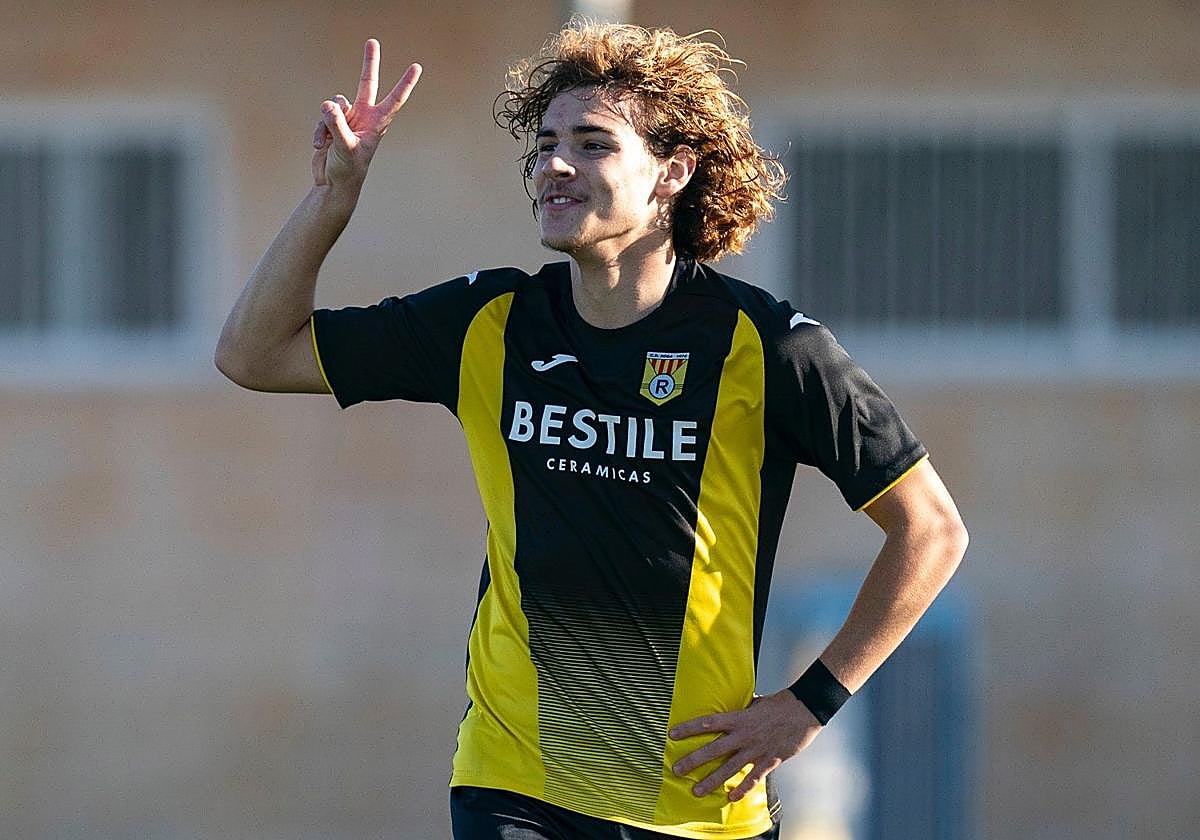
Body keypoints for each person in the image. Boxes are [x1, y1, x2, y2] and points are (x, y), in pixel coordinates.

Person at [215, 20, 968, 840]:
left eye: (593, 144)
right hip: (515, 782)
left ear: (673, 172)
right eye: (545, 145)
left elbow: (930, 530)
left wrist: (808, 705)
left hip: (699, 799)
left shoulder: (769, 347)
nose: (555, 165)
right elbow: (253, 354)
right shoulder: (489, 322)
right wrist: (333, 199)